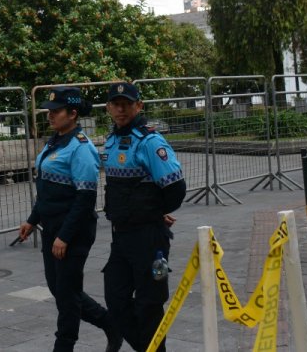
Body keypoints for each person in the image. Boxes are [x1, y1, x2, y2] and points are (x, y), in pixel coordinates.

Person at [19, 87, 123, 352]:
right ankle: (111, 324)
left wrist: (64, 236)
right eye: (49, 112)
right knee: (60, 289)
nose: (50, 116)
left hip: (73, 231)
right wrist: (32, 220)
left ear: (73, 113)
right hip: (52, 227)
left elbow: (85, 199)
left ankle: (64, 346)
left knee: (66, 296)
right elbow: (46, 190)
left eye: (56, 112)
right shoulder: (55, 141)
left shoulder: (81, 148)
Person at [100, 82, 186, 352]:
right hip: (122, 236)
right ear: (109, 108)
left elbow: (176, 188)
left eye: (127, 103)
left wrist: (155, 213)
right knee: (115, 299)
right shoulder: (112, 141)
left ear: (139, 106)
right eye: (116, 103)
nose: (121, 108)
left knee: (149, 304)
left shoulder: (150, 141)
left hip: (149, 238)